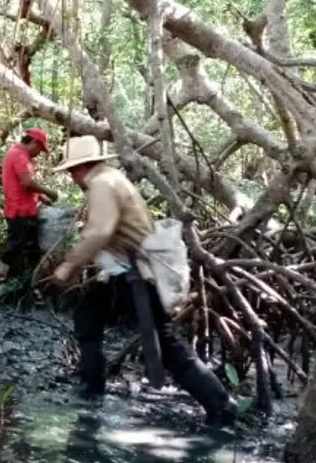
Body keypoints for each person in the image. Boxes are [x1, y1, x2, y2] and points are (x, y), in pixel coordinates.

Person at [49, 136, 237, 427]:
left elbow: (100, 231)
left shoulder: (101, 184)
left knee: (167, 344)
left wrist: (69, 265)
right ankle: (91, 393)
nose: (71, 177)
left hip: (136, 274)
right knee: (87, 316)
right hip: (118, 272)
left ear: (82, 166)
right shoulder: (110, 179)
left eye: (71, 171)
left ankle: (221, 406)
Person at [0, 127, 58, 280]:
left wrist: (42, 197)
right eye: (40, 149)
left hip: (26, 210)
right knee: (15, 246)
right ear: (34, 143)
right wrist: (50, 192)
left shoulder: (21, 155)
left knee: (30, 247)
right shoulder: (18, 155)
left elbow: (24, 186)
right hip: (19, 211)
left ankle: (27, 278)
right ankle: (0, 275)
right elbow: (28, 183)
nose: (39, 153)